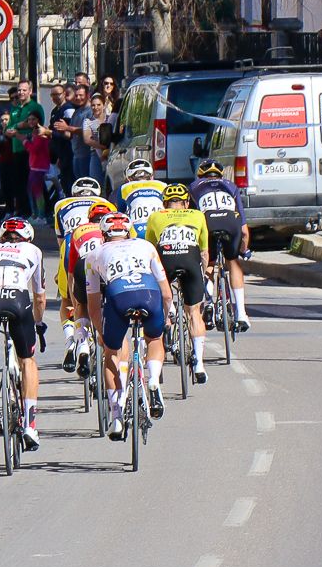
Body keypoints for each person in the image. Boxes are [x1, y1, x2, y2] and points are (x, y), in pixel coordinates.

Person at [82, 214, 175, 439]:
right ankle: (153, 381)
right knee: (154, 339)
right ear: (128, 231)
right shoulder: (146, 246)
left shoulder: (93, 255)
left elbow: (93, 306)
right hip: (149, 292)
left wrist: (102, 334)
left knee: (112, 353)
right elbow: (166, 293)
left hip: (118, 295)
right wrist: (167, 316)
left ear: (103, 235)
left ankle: (116, 417)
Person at [0, 217, 47, 450]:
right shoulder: (34, 251)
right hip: (17, 301)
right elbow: (40, 297)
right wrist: (38, 323)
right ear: (28, 238)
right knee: (28, 360)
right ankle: (30, 426)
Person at [145, 185, 213, 383]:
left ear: (164, 203)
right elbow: (204, 253)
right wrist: (202, 275)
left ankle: (167, 320)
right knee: (194, 312)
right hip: (190, 261)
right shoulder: (198, 215)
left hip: (166, 260)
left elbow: (150, 250)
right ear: (186, 203)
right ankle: (199, 364)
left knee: (161, 301)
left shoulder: (155, 217)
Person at [56, 191, 117, 374]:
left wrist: (76, 301)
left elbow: (71, 269)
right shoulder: (113, 230)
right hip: (105, 264)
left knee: (77, 305)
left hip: (80, 263)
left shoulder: (78, 230)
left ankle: (80, 344)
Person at [192, 159, 252, 332]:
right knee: (233, 262)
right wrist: (244, 249)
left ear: (200, 175)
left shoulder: (194, 187)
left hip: (208, 223)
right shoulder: (231, 186)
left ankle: (209, 303)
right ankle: (241, 314)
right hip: (230, 223)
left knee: (209, 263)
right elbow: (244, 230)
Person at [2, 80, 43, 217]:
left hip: (31, 151)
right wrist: (14, 128)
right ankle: (23, 212)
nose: (21, 93)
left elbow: (35, 125)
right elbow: (9, 128)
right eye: (19, 90)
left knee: (35, 184)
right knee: (19, 183)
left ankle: (41, 213)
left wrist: (19, 127)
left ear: (30, 91)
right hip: (17, 149)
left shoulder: (35, 107)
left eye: (24, 90)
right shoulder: (15, 109)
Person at [83, 91, 115, 190]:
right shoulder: (88, 121)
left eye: (98, 105)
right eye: (93, 105)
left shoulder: (110, 119)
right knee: (95, 182)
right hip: (96, 154)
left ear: (103, 105)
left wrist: (107, 149)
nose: (96, 107)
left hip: (111, 152)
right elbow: (87, 139)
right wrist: (102, 147)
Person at [25, 121, 53, 220]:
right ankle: (36, 214)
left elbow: (33, 149)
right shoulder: (39, 138)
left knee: (37, 192)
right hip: (36, 167)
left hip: (38, 168)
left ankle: (40, 216)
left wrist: (25, 141)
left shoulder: (41, 138)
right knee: (33, 191)